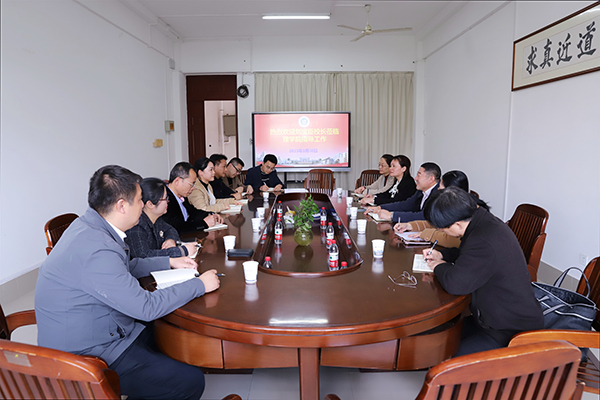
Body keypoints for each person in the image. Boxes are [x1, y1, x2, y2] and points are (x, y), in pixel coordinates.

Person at [35, 165, 221, 400]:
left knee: (167, 332)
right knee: (190, 381)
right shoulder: (98, 248)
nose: (143, 205)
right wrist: (200, 285)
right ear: (122, 205)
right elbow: (146, 307)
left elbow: (124, 267)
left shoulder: (89, 226)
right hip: (86, 357)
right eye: (140, 200)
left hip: (102, 327)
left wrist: (169, 262)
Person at [422, 187, 543, 356]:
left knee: (451, 356)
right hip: (494, 318)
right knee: (440, 337)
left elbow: (455, 284)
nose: (442, 232)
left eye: (442, 229)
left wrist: (437, 266)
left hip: (509, 331)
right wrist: (442, 255)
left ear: (457, 224)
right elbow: (470, 255)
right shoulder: (483, 222)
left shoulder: (483, 240)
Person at [393, 170, 489, 248]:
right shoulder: (457, 204)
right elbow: (436, 224)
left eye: (440, 189)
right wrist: (410, 226)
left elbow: (453, 240)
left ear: (451, 192)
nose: (437, 191)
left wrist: (426, 234)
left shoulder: (469, 210)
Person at [125, 178, 198, 259]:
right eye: (165, 198)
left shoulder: (156, 219)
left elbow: (170, 229)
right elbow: (144, 256)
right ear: (150, 204)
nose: (168, 201)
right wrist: (182, 251)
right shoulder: (136, 226)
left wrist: (170, 239)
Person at [366, 162, 441, 223]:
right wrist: (380, 207)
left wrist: (391, 216)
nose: (415, 178)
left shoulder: (439, 194)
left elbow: (424, 216)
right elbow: (406, 204)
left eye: (419, 175)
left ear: (431, 179)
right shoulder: (420, 190)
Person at [160, 161, 222, 234]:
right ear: (177, 181)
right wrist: (204, 223)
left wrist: (210, 214)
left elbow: (193, 212)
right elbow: (176, 227)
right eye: (191, 184)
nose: (193, 188)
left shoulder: (181, 196)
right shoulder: (164, 199)